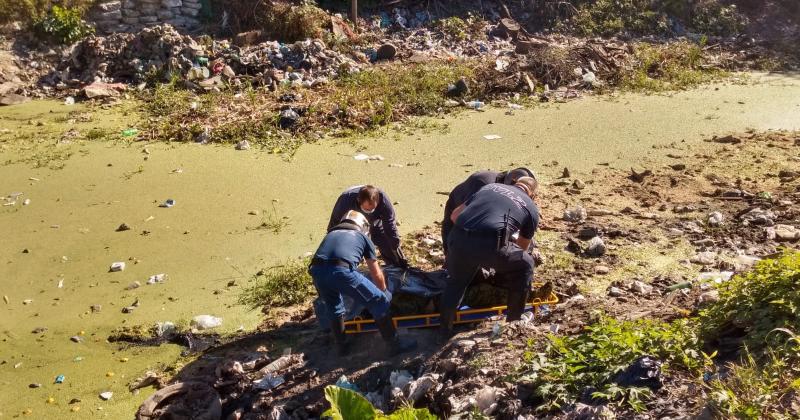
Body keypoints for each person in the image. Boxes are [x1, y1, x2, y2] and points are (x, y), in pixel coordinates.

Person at [439, 176, 540, 340]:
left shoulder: (489, 187)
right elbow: (522, 247)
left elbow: (455, 216)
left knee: (456, 283)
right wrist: (499, 265)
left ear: (515, 183)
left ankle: (443, 332)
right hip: (490, 243)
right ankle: (513, 324)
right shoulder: (531, 207)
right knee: (526, 265)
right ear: (533, 195)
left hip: (457, 239)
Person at [311, 210, 417, 356]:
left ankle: (342, 348)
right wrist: (384, 294)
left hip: (317, 271)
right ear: (363, 226)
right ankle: (395, 346)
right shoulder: (362, 237)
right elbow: (376, 272)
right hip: (341, 271)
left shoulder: (331, 234)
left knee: (334, 306)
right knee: (379, 301)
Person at [442, 168, 534, 258]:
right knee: (454, 250)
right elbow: (461, 217)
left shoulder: (511, 190)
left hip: (483, 212)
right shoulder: (483, 184)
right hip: (459, 206)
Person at [328, 185, 408, 267]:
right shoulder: (346, 200)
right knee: (351, 246)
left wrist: (395, 247)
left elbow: (390, 226)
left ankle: (395, 265)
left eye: (372, 209)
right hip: (354, 223)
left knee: (386, 241)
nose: (369, 212)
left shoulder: (383, 200)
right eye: (366, 209)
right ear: (359, 201)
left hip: (376, 222)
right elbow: (335, 222)